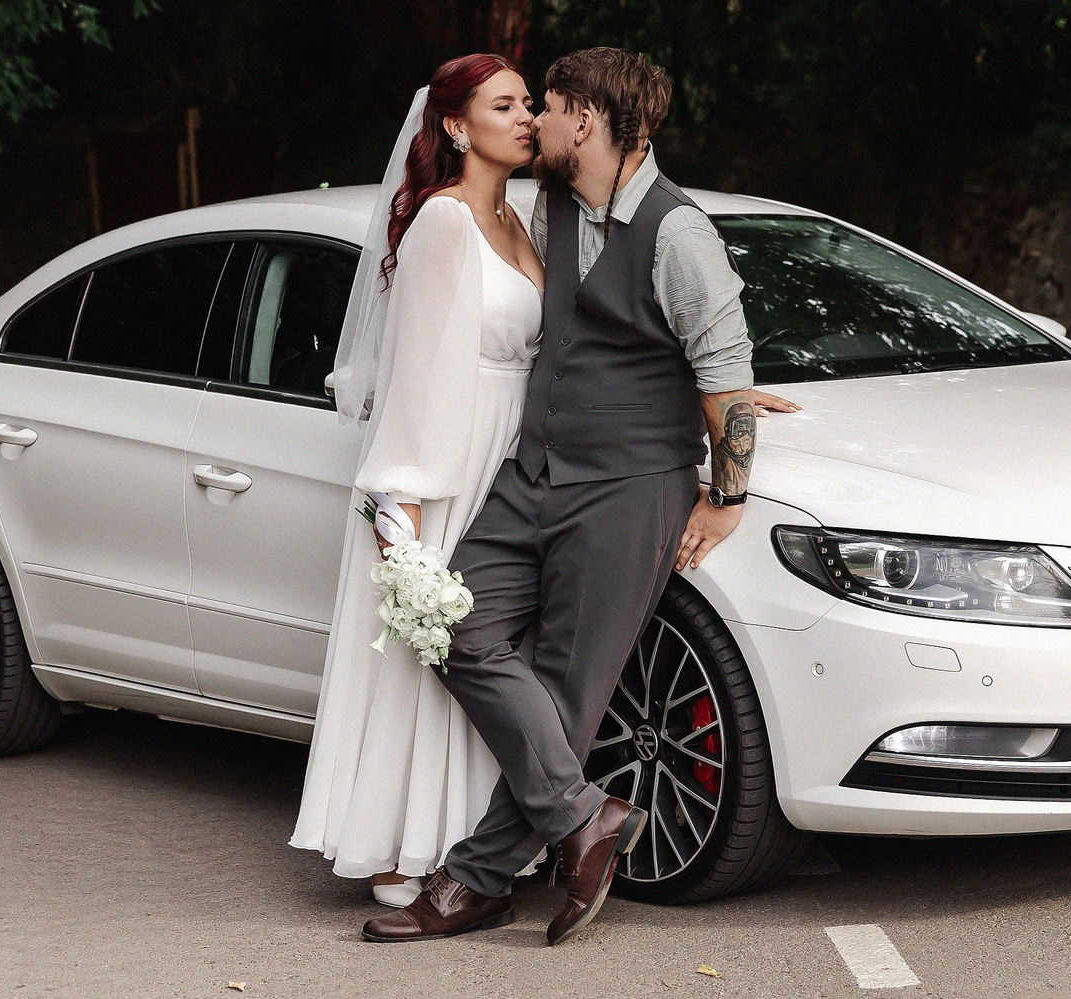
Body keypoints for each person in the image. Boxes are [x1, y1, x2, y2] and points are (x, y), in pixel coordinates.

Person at [362, 47, 770, 946]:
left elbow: (727, 387)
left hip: (628, 491)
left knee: (570, 690)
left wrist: (726, 499)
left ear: (584, 120)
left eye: (545, 105)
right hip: (533, 472)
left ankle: (473, 882)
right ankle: (582, 816)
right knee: (452, 624)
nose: (534, 119)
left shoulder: (678, 233)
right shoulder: (543, 206)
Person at [289, 54, 546, 905]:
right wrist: (398, 504)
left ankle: (483, 841)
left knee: (498, 648)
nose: (526, 116)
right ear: (455, 125)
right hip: (450, 455)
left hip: (512, 450)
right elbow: (416, 369)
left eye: (529, 103)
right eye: (503, 104)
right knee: (435, 651)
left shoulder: (520, 218)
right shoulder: (442, 221)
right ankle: (410, 844)